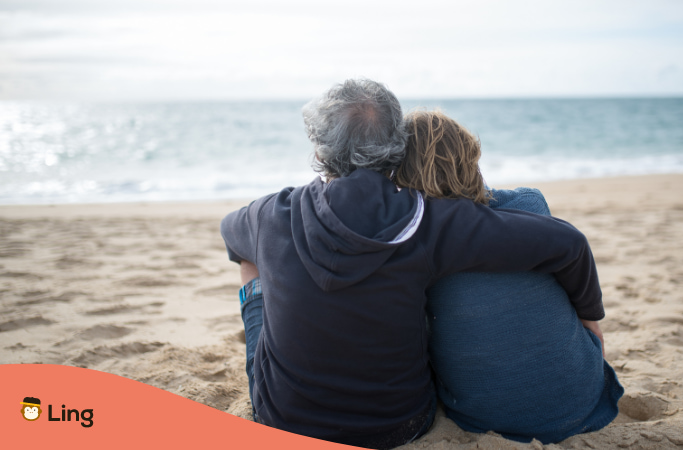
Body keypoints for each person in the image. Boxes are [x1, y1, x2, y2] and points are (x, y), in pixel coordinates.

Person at [220, 79, 604, 449]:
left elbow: (230, 233)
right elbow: (567, 242)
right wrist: (591, 319)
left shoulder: (270, 213)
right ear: (395, 148)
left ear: (319, 153)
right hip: (400, 426)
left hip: (285, 423)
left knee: (253, 263)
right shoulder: (428, 221)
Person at [394, 110, 623, 444]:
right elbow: (571, 250)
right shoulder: (528, 205)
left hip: (484, 418)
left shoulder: (410, 242)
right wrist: (592, 321)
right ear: (472, 156)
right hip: (580, 398)